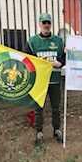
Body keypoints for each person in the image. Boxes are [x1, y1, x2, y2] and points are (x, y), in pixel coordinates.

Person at [26, 13, 65, 146]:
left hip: (54, 79)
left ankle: (57, 129)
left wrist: (60, 63)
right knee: (38, 108)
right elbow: (27, 60)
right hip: (39, 81)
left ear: (51, 24)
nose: (46, 25)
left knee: (56, 107)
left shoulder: (59, 41)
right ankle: (39, 131)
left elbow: (64, 57)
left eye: (48, 22)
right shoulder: (32, 41)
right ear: (39, 24)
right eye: (44, 23)